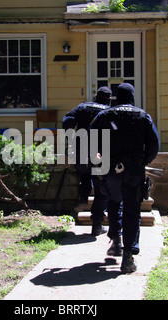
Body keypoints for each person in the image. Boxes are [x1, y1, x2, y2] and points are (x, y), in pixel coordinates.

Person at [89, 83, 160, 273]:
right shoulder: (143, 116)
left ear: (116, 97)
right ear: (132, 97)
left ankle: (116, 241)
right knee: (132, 209)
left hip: (111, 169)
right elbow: (154, 145)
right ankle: (127, 257)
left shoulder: (104, 116)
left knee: (114, 202)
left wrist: (98, 158)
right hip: (134, 170)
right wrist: (142, 161)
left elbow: (90, 140)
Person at [62, 87, 112, 235]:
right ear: (109, 99)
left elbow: (67, 121)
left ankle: (83, 197)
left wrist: (71, 138)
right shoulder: (109, 111)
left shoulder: (83, 106)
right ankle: (97, 225)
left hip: (81, 148)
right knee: (101, 189)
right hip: (101, 152)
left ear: (96, 96)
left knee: (84, 176)